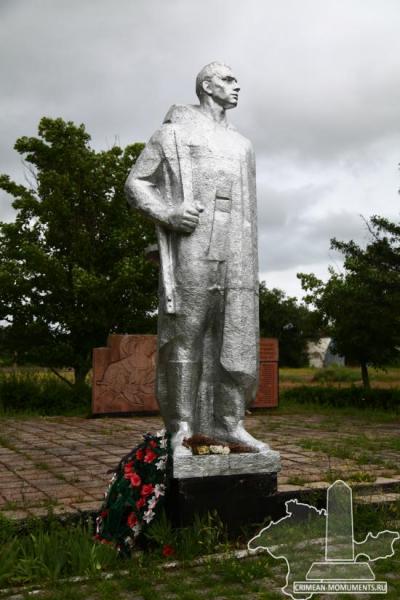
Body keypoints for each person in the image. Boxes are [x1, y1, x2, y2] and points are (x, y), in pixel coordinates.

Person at [125, 62, 268, 456]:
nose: (236, 86)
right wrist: (168, 214)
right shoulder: (172, 134)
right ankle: (182, 428)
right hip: (193, 243)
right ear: (207, 86)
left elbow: (250, 209)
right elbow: (136, 182)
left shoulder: (243, 145)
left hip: (236, 249)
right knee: (184, 335)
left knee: (234, 337)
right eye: (227, 79)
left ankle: (230, 424)